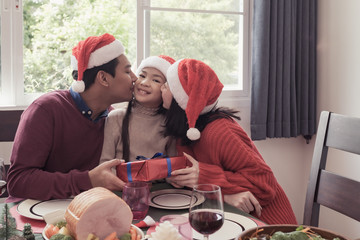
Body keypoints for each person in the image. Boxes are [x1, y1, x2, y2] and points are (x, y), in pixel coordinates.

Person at [161, 58, 297, 224]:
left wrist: (203, 176)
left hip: (268, 226)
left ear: (180, 98)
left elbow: (264, 184)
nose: (162, 87)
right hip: (231, 219)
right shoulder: (184, 132)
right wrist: (225, 196)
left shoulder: (220, 131)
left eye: (167, 84)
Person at [7, 33, 137, 200]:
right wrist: (87, 180)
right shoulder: (45, 110)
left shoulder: (113, 119)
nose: (134, 78)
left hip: (83, 213)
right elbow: (18, 181)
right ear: (103, 78)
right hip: (33, 217)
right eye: (127, 71)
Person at [100, 55, 177, 165]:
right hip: (119, 182)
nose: (144, 83)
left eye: (156, 80)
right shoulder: (115, 117)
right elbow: (105, 163)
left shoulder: (169, 123)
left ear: (166, 90)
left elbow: (173, 166)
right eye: (142, 75)